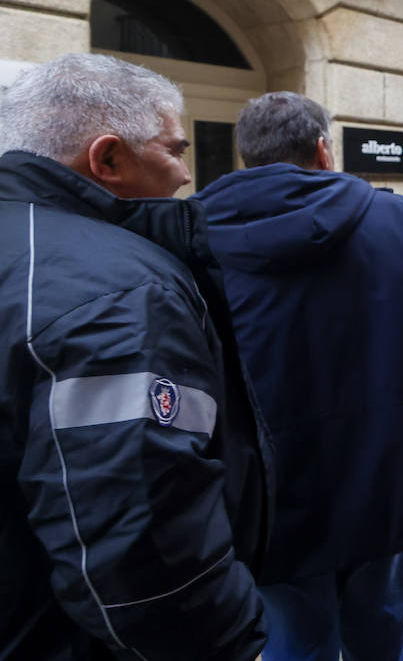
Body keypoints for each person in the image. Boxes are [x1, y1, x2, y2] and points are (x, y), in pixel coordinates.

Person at [194, 92, 403, 661]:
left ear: (245, 156)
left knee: (294, 638)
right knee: (378, 632)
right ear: (323, 150)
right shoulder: (392, 215)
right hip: (375, 468)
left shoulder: (192, 231)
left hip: (265, 486)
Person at [0, 53, 270, 658]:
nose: (184, 175)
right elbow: (140, 543)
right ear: (109, 159)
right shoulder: (118, 288)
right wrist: (230, 637)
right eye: (175, 150)